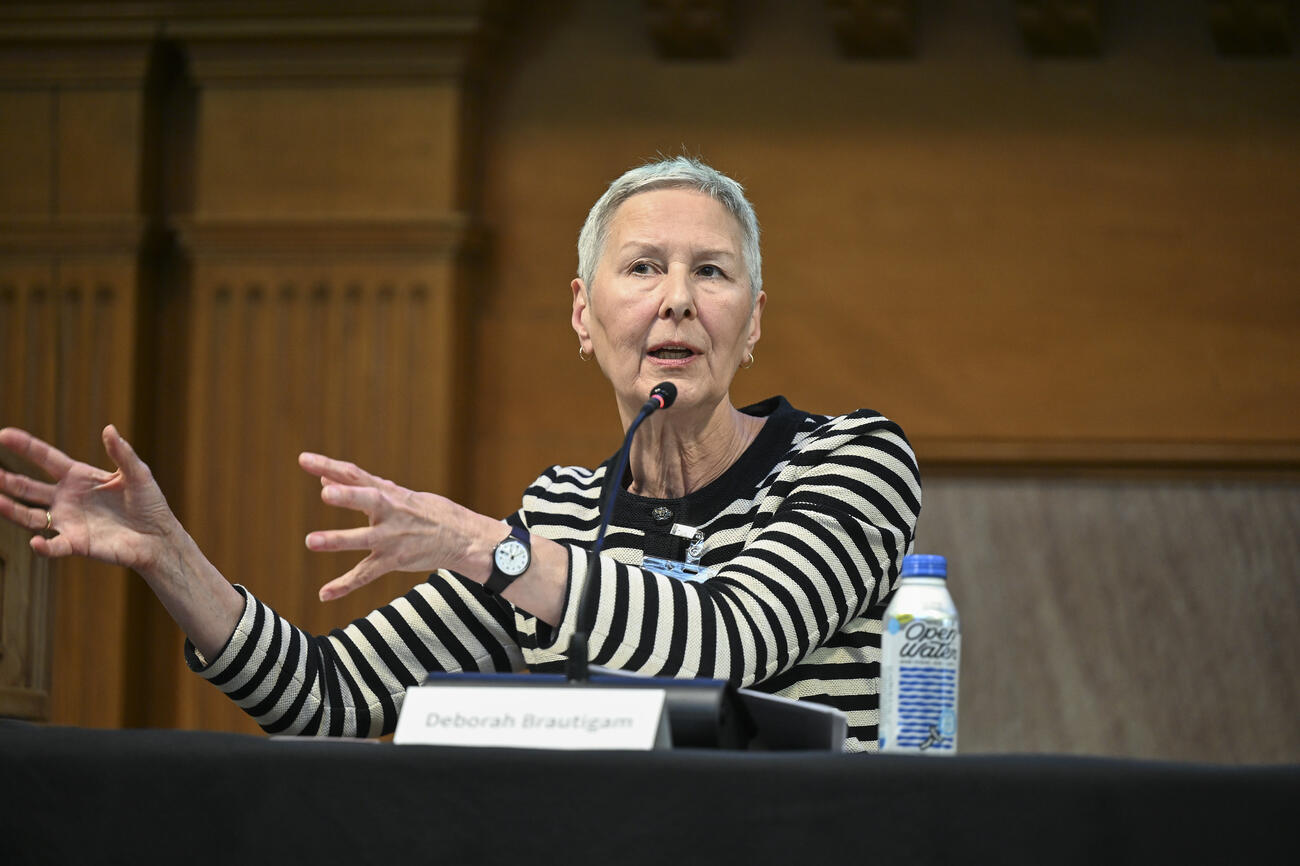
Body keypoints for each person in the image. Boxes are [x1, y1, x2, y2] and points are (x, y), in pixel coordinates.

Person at [0, 156, 920, 752]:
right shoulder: (563, 515)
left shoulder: (851, 460)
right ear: (581, 314)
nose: (677, 299)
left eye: (712, 272)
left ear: (751, 322)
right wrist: (172, 560)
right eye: (643, 267)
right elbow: (325, 697)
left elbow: (729, 641)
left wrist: (497, 551)